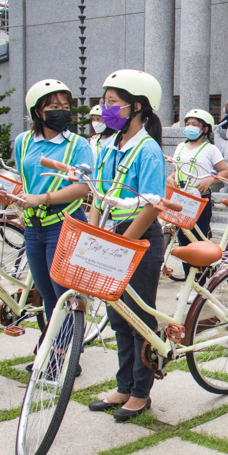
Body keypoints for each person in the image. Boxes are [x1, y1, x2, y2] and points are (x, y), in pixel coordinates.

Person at [87, 69, 166, 421]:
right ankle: (123, 385)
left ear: (136, 107)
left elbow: (152, 206)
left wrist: (122, 243)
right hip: (114, 237)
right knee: (117, 315)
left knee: (139, 318)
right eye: (105, 102)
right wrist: (95, 233)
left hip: (139, 238)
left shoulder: (148, 150)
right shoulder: (109, 145)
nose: (106, 109)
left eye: (112, 103)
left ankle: (140, 392)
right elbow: (97, 195)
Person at [16, 79, 94, 376]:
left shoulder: (78, 145)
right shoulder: (24, 141)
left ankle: (64, 357)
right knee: (47, 294)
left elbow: (82, 188)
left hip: (64, 224)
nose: (61, 113)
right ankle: (56, 348)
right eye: (53, 107)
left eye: (65, 107)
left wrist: (43, 198)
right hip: (33, 227)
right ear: (38, 111)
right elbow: (26, 178)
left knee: (66, 295)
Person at [166, 108, 228, 298]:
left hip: (200, 199)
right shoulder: (179, 147)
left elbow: (225, 171)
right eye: (188, 124)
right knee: (183, 240)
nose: (190, 127)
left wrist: (211, 180)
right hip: (181, 197)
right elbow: (176, 170)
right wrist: (170, 178)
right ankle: (189, 282)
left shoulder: (211, 149)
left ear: (205, 129)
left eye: (195, 124)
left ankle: (200, 284)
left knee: (198, 240)